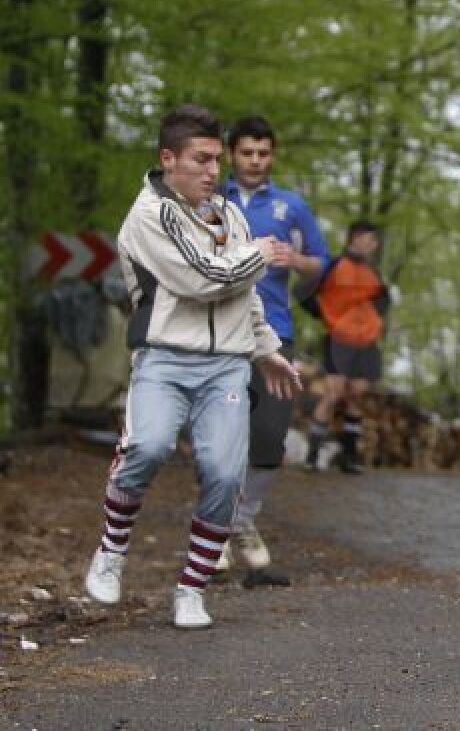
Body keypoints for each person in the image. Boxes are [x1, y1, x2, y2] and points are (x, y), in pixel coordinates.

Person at [82, 105, 300, 629]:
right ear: (168, 158)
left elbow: (243, 295)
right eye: (201, 160)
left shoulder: (229, 215)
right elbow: (201, 278)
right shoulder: (149, 215)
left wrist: (265, 347)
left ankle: (191, 591)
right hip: (163, 358)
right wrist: (259, 254)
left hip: (226, 365)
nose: (212, 171)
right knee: (148, 446)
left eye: (216, 160)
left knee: (224, 474)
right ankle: (111, 550)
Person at [218, 115, 331, 585]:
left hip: (275, 332)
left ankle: (242, 520)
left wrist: (297, 260)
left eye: (263, 153)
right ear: (231, 154)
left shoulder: (291, 206)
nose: (255, 161)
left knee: (270, 434)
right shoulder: (211, 200)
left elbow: (321, 264)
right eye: (247, 153)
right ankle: (214, 533)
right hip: (218, 332)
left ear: (273, 155)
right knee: (220, 436)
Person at [304, 220, 389, 474]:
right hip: (339, 340)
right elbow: (305, 293)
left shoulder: (373, 272)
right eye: (369, 239)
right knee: (333, 394)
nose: (373, 245)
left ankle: (348, 457)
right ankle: (312, 456)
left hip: (366, 343)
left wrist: (373, 322)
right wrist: (328, 316)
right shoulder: (334, 265)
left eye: (375, 241)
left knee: (356, 396)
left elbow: (384, 302)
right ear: (355, 239)